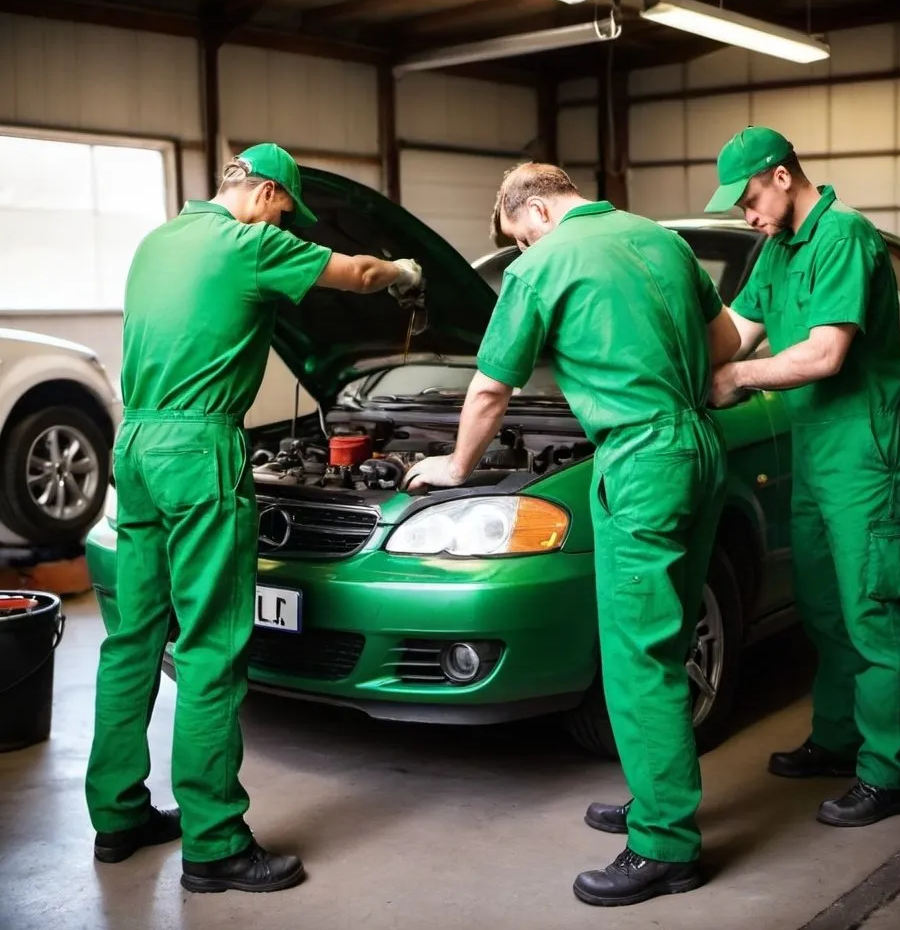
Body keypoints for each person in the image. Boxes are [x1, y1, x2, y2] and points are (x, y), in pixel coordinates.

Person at [86, 143, 424, 893]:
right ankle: (214, 844)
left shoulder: (159, 240)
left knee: (133, 638)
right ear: (265, 192)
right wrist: (404, 272)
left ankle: (117, 817)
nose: (285, 223)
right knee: (211, 645)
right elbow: (358, 273)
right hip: (198, 450)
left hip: (136, 445)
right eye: (285, 209)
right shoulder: (248, 243)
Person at [402, 162, 739, 907]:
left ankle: (665, 847)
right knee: (672, 634)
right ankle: (661, 797)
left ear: (538, 214)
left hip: (640, 459)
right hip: (700, 446)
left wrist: (457, 466)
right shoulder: (662, 240)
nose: (523, 252)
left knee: (636, 653)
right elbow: (722, 343)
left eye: (521, 238)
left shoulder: (545, 263)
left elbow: (492, 387)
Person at [706, 126, 900, 828]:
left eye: (746, 200)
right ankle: (836, 740)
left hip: (863, 456)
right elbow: (735, 332)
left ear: (778, 175)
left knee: (872, 613)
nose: (746, 216)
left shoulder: (845, 238)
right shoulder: (776, 251)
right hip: (813, 455)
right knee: (824, 609)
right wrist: (667, 315)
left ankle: (888, 775)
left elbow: (826, 353)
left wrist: (736, 376)